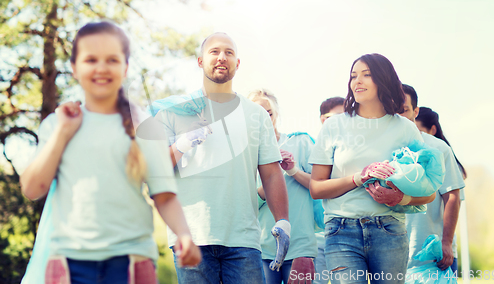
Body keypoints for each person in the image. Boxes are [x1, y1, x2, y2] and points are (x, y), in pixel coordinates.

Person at [19, 21, 200, 284]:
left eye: (112, 60)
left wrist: (184, 235)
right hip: (69, 265)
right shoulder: (57, 124)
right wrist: (63, 133)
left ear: (125, 67)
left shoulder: (144, 127)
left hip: (132, 263)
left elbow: (164, 195)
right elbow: (33, 188)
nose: (101, 68)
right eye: (91, 59)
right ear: (74, 67)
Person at [152, 32, 290, 284]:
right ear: (200, 61)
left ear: (238, 63)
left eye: (229, 52)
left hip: (244, 240)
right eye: (214, 52)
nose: (221, 57)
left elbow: (271, 173)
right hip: (191, 236)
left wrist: (283, 220)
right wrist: (182, 143)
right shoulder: (174, 111)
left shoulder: (257, 115)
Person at [309, 53, 436, 284]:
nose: (357, 81)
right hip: (341, 230)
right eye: (353, 76)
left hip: (390, 230)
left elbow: (429, 192)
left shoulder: (406, 129)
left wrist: (400, 197)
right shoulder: (334, 125)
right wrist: (359, 177)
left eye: (366, 75)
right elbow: (316, 188)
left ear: (383, 79)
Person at [248, 88, 317, 284]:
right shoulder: (246, 154)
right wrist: (272, 176)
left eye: (268, 113)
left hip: (300, 247)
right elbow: (242, 204)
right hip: (261, 248)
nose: (263, 119)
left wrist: (293, 170)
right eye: (256, 115)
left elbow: (322, 187)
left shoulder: (301, 142)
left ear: (276, 113)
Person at [400, 88, 465, 273]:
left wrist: (446, 242)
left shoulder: (438, 147)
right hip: (392, 254)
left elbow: (452, 196)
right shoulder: (381, 148)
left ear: (415, 111)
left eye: (404, 109)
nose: (399, 115)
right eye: (393, 110)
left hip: (433, 255)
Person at [314, 97, 345, 284]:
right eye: (337, 117)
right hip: (316, 237)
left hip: (346, 233)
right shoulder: (311, 147)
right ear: (324, 120)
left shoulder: (352, 153)